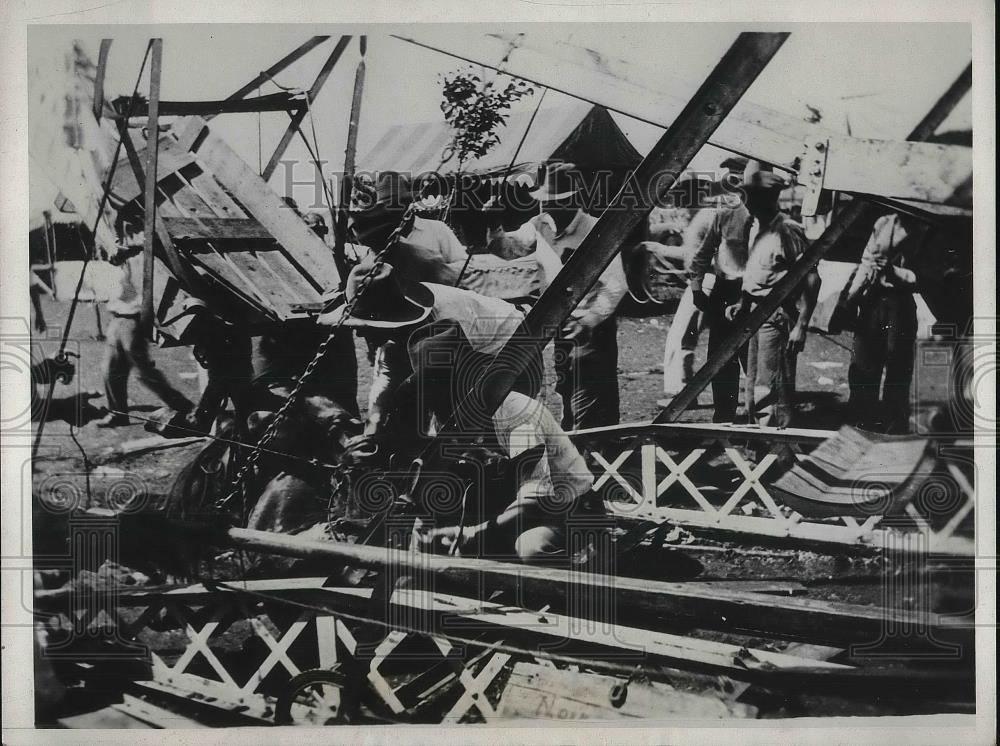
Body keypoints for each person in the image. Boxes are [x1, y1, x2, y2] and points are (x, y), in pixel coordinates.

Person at [406, 326, 599, 565]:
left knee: (532, 549)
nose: (439, 397)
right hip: (503, 507)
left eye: (444, 386)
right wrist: (425, 527)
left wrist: (472, 534)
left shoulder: (517, 413)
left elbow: (536, 500)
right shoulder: (445, 417)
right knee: (436, 548)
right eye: (431, 388)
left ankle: (582, 583)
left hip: (566, 509)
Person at [319, 260, 541, 437]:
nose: (359, 333)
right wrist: (375, 422)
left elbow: (434, 387)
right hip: (466, 355)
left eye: (364, 326)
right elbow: (387, 373)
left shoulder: (443, 323)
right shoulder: (398, 311)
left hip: (513, 351)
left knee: (457, 429)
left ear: (385, 319)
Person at [528, 163, 628, 431]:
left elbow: (616, 285)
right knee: (565, 385)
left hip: (592, 325)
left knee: (590, 387)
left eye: (554, 202)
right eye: (545, 201)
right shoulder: (540, 228)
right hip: (559, 323)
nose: (546, 208)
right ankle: (585, 444)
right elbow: (509, 248)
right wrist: (494, 228)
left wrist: (590, 320)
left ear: (573, 200)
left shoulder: (597, 232)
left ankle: (593, 449)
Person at [724, 161, 820, 429]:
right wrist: (742, 301)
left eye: (753, 199)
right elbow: (757, 273)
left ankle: (776, 457)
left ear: (769, 199)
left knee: (772, 388)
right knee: (754, 384)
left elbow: (812, 277)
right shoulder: (759, 229)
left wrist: (801, 325)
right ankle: (758, 453)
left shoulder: (787, 230)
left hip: (777, 315)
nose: (748, 205)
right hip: (755, 314)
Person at [661, 158, 747, 401]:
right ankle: (687, 391)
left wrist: (659, 249)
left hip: (708, 282)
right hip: (709, 282)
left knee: (682, 337)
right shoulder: (701, 216)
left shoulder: (710, 215)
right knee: (691, 338)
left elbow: (697, 257)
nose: (680, 198)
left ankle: (681, 393)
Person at [94, 218, 194, 428]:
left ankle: (183, 406)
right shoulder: (111, 258)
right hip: (117, 318)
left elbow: (129, 279)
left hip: (133, 319)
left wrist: (122, 253)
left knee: (143, 372)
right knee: (110, 369)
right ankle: (118, 413)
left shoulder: (133, 253)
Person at [685, 158, 754, 422]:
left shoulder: (765, 217)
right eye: (731, 180)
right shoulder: (725, 212)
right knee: (720, 358)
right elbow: (702, 254)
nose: (734, 188)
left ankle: (755, 420)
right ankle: (724, 416)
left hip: (753, 294)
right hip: (725, 291)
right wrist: (696, 288)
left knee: (752, 360)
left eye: (739, 180)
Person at [845, 212, 923, 433]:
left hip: (900, 303)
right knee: (862, 366)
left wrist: (892, 271)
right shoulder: (883, 222)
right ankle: (860, 427)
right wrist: (850, 299)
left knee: (897, 372)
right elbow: (866, 262)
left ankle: (893, 431)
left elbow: (921, 277)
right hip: (873, 301)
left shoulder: (923, 227)